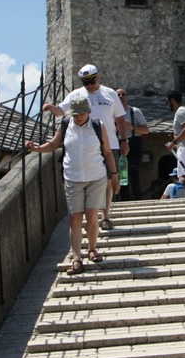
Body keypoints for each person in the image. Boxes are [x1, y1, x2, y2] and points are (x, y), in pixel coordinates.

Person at [26, 96, 119, 275]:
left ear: (88, 112)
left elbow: (107, 153)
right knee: (75, 218)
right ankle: (77, 258)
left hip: (96, 176)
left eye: (82, 113)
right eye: (76, 114)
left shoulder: (99, 126)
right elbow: (53, 145)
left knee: (92, 216)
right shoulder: (66, 125)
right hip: (72, 177)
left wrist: (114, 176)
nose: (79, 117)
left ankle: (92, 249)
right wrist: (36, 148)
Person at [43, 64, 128, 230]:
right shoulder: (76, 94)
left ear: (98, 77)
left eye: (91, 81)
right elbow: (62, 110)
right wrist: (52, 108)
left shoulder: (110, 93)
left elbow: (120, 119)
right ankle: (91, 216)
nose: (89, 85)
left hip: (109, 143)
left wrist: (124, 140)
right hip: (86, 146)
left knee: (109, 180)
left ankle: (106, 216)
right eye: (85, 83)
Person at [116, 88, 148, 200]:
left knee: (134, 170)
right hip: (119, 143)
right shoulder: (111, 113)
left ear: (127, 97)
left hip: (134, 143)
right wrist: (117, 128)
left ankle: (136, 198)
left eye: (123, 94)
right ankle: (124, 198)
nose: (120, 96)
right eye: (118, 94)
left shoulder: (135, 111)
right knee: (122, 172)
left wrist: (132, 127)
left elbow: (146, 130)